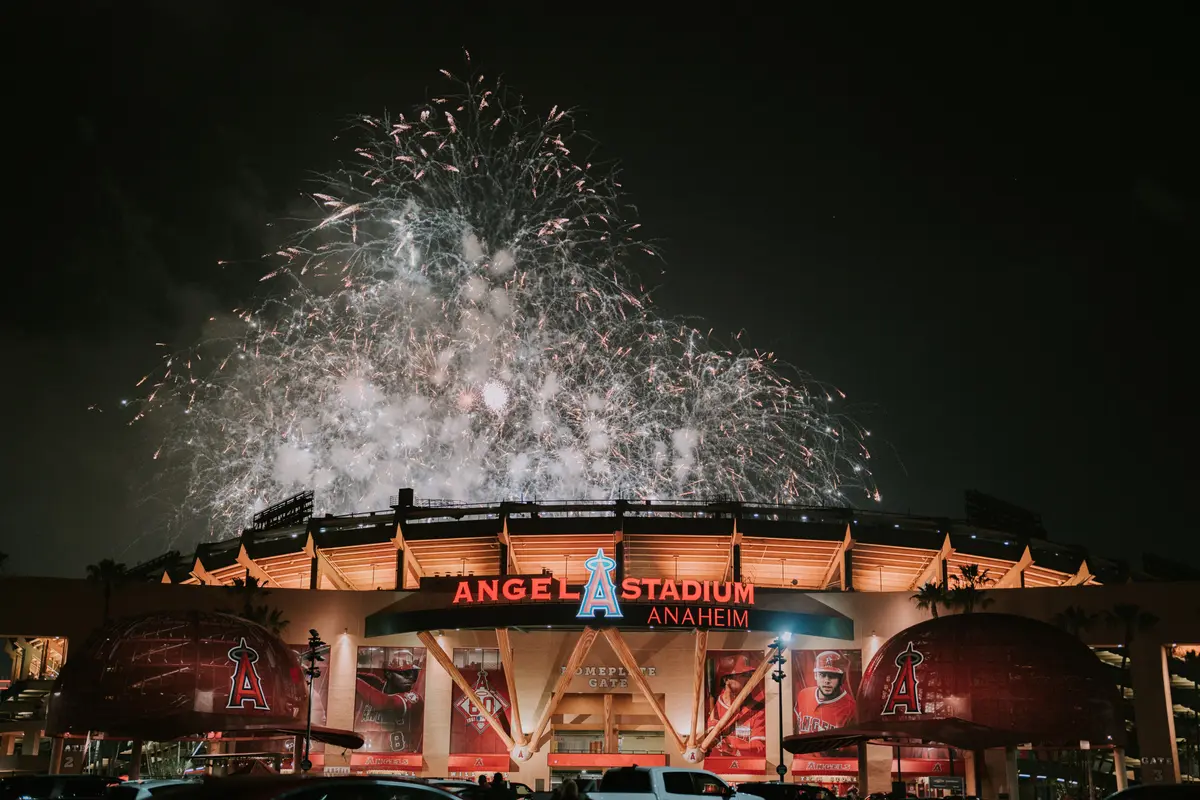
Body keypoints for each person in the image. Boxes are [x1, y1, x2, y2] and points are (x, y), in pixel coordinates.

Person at [707, 653, 767, 756]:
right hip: (716, 768)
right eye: (744, 675)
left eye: (749, 675)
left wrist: (733, 750)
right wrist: (712, 736)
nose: (748, 679)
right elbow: (706, 741)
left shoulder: (757, 710)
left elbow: (759, 747)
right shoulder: (713, 708)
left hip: (748, 767)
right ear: (727, 679)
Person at [795, 651, 857, 732]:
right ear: (815, 675)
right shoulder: (804, 694)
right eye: (822, 675)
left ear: (841, 679)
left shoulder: (851, 707)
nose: (827, 681)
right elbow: (797, 728)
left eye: (832, 676)